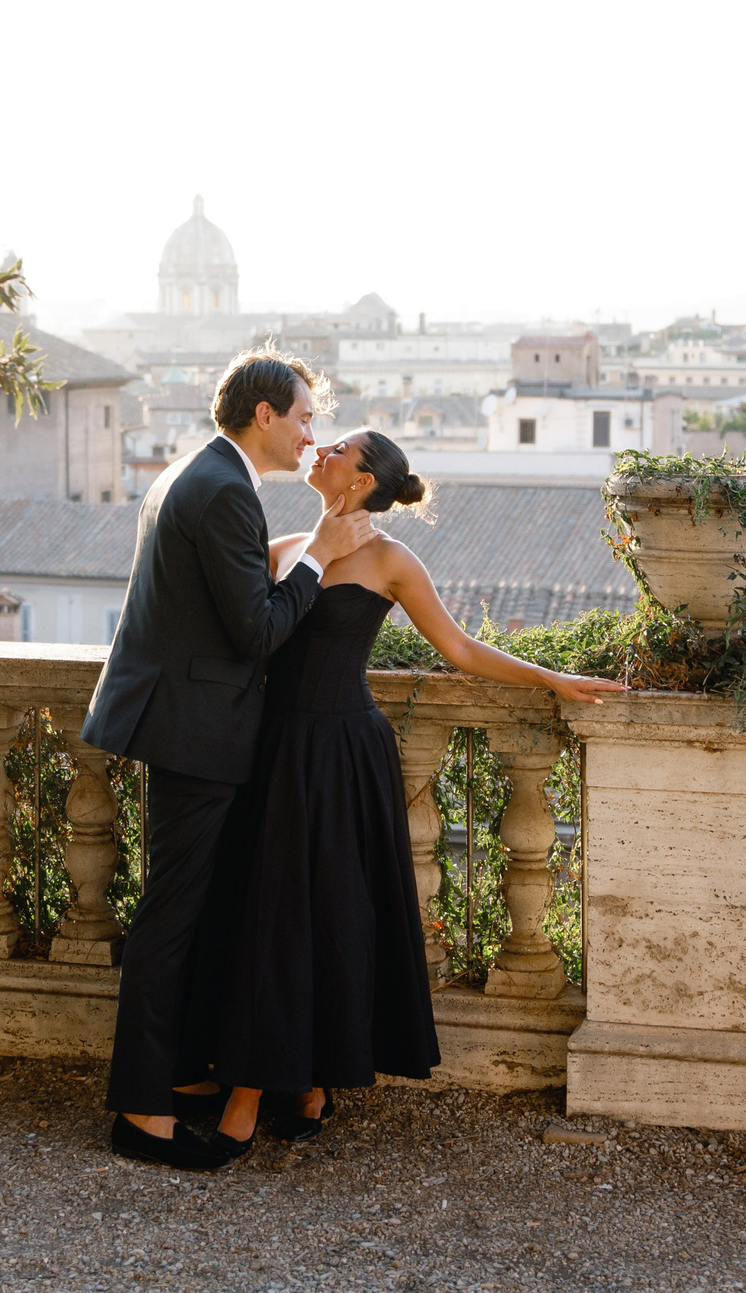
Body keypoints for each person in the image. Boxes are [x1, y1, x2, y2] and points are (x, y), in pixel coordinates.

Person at [207, 428, 627, 1146]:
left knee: (326, 915)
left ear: (363, 479)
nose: (321, 447)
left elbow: (458, 647)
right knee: (266, 914)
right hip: (273, 754)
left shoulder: (391, 561)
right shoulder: (281, 552)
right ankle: (276, 1082)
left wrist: (551, 677)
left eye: (338, 445)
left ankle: (284, 1089)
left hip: (343, 755)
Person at [82, 350, 380, 1170]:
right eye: (305, 416)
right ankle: (141, 1112)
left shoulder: (204, 474)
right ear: (264, 416)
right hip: (193, 729)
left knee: (195, 913)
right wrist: (320, 552)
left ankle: (175, 1078)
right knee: (171, 917)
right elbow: (257, 629)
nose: (310, 433)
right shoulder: (219, 489)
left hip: (191, 723)